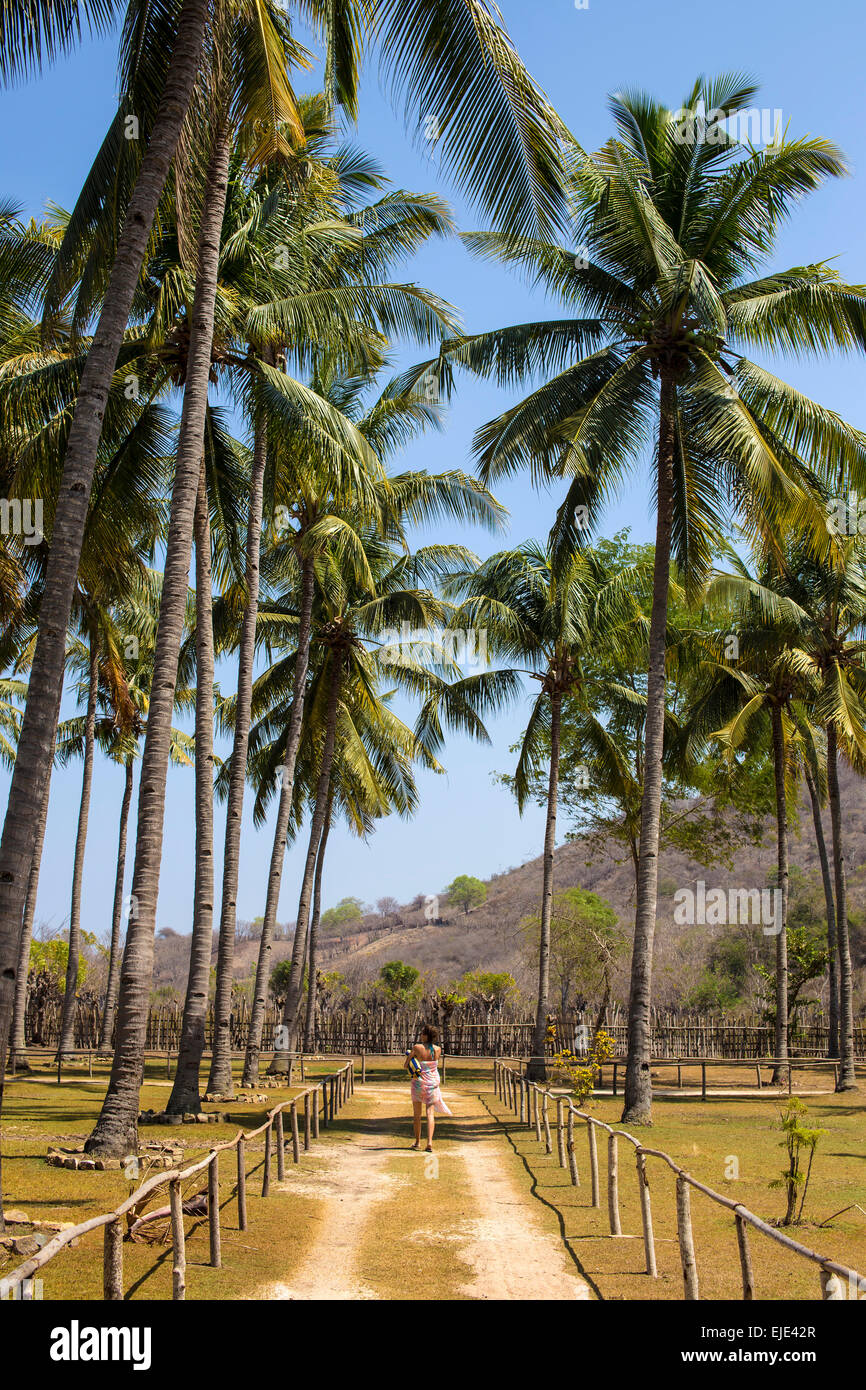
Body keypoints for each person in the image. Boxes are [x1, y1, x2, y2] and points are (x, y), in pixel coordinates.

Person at [404, 1023, 452, 1152]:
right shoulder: (437, 1049)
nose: (420, 1035)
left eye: (422, 1033)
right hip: (432, 1083)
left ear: (425, 1035)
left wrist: (411, 1057)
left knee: (417, 1114)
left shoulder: (417, 1047)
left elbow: (406, 1064)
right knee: (430, 1113)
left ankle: (417, 1141)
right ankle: (429, 1142)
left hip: (418, 1083)